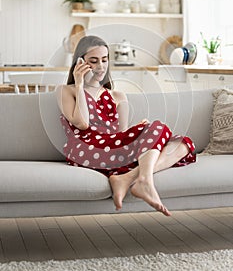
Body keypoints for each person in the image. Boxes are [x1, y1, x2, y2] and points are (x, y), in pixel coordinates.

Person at [56, 35, 196, 217]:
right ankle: (143, 180)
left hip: (113, 149)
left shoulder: (118, 96)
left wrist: (138, 131)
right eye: (93, 60)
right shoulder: (66, 90)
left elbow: (120, 134)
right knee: (159, 128)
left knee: (183, 143)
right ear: (80, 62)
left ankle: (129, 178)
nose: (100, 66)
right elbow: (82, 123)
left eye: (104, 60)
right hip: (85, 149)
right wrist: (80, 83)